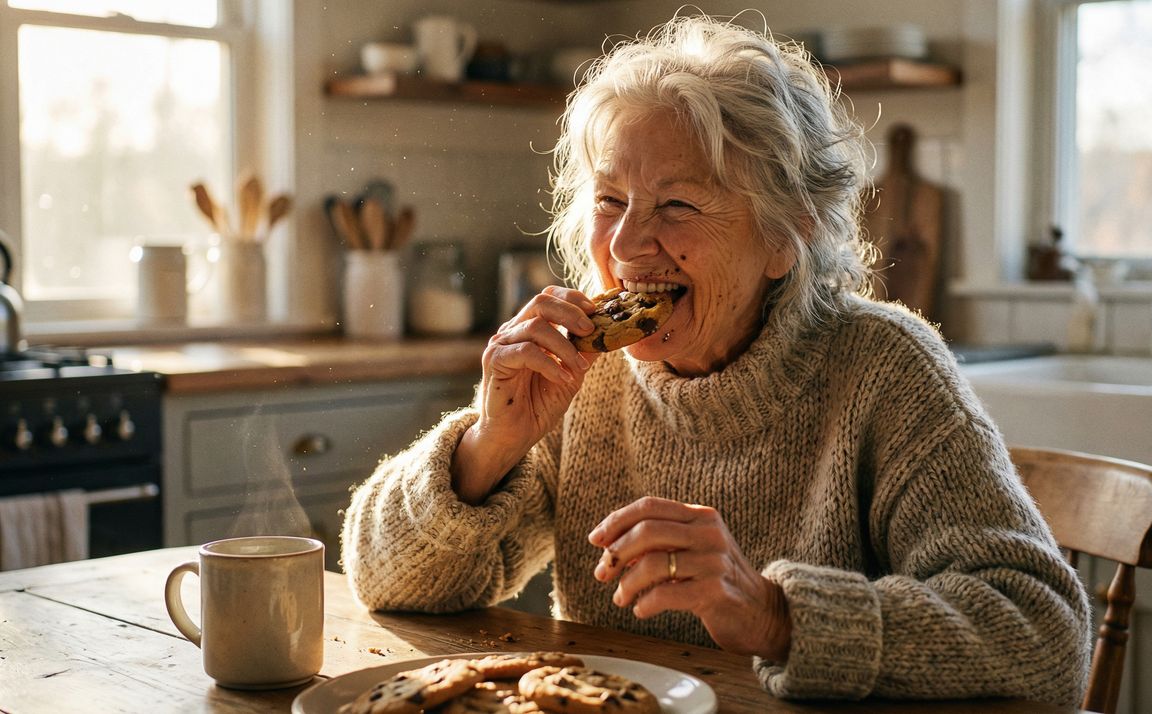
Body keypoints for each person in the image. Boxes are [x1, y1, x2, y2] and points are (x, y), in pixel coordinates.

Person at [341, 13, 1090, 705]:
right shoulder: (584, 374)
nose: (628, 246)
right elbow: (382, 583)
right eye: (608, 201)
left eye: (676, 207)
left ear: (783, 236)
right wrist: (487, 444)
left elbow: (1048, 637)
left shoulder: (883, 369)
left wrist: (777, 617)